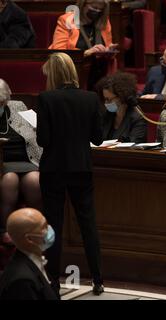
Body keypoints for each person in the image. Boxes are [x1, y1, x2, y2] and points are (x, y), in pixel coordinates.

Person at [36, 52, 104, 297]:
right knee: (88, 223)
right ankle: (97, 279)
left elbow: (43, 140)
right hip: (81, 168)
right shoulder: (90, 98)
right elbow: (98, 138)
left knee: (54, 225)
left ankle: (53, 281)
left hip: (54, 169)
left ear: (52, 75)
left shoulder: (46, 99)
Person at [0, 79, 42, 246]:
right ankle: (5, 230)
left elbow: (34, 131)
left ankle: (36, 227)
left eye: (2, 102)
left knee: (35, 181)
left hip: (27, 159)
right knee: (9, 181)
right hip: (3, 163)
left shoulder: (18, 106)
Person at [0, 208, 58, 300]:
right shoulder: (22, 281)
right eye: (44, 227)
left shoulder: (34, 260)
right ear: (29, 239)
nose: (49, 229)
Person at [48, 0, 117, 56]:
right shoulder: (67, 20)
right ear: (83, 5)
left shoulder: (104, 21)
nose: (97, 11)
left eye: (101, 9)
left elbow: (107, 46)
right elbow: (59, 51)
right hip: (74, 67)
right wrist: (85, 53)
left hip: (99, 67)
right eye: (94, 7)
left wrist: (109, 52)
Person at [97, 72, 147, 143]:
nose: (106, 103)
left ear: (121, 97)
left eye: (109, 100)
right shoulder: (106, 115)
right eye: (104, 99)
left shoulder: (138, 119)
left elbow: (135, 145)